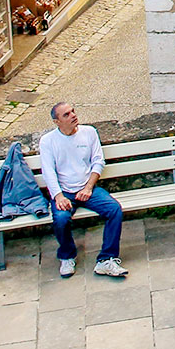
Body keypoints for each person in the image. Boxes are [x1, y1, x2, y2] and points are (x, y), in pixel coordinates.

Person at [38, 102, 126, 279]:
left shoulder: (89, 132)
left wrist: (88, 187)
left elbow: (98, 161)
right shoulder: (48, 141)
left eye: (73, 111)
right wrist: (59, 196)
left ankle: (107, 259)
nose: (72, 116)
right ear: (57, 121)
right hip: (64, 192)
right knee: (61, 219)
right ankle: (67, 256)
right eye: (66, 115)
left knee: (114, 209)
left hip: (88, 189)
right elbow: (48, 171)